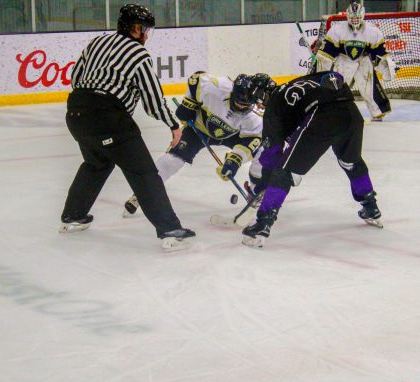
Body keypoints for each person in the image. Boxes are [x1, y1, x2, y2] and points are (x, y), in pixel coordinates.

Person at [59, 4, 195, 251]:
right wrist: (174, 126)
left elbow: (76, 78)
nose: (146, 35)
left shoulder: (96, 43)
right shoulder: (137, 54)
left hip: (76, 112)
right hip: (109, 118)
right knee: (144, 173)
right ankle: (169, 229)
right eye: (145, 30)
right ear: (136, 28)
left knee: (96, 163)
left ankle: (73, 216)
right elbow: (153, 101)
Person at [241, 71, 382, 248]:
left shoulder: (273, 106)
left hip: (322, 119)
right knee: (351, 162)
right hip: (351, 113)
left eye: (258, 102)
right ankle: (370, 207)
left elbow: (273, 153)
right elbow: (334, 75)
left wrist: (263, 185)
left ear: (261, 97)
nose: (259, 106)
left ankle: (261, 224)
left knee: (283, 172)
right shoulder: (298, 82)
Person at [122, 71, 273, 217]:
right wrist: (189, 103)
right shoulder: (216, 87)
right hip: (199, 127)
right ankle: (142, 193)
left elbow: (251, 140)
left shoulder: (254, 117)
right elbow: (195, 79)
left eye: (245, 105)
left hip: (232, 135)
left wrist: (234, 161)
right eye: (238, 103)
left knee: (264, 149)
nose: (241, 108)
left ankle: (256, 192)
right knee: (173, 159)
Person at [314, 1, 395, 121]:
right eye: (352, 17)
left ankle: (378, 111)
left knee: (368, 87)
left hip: (364, 60)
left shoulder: (373, 31)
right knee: (337, 86)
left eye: (357, 17)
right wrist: (320, 70)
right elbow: (327, 53)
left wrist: (386, 67)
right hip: (343, 60)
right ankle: (332, 112)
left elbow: (379, 53)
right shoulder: (337, 30)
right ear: (347, 16)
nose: (355, 19)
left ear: (362, 16)